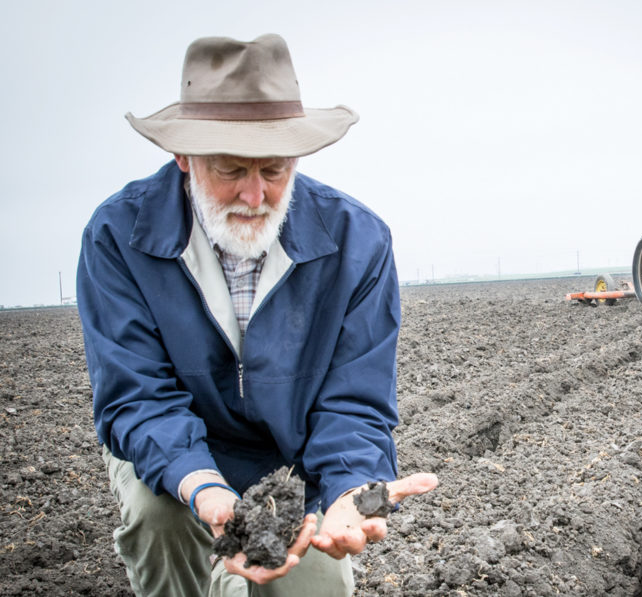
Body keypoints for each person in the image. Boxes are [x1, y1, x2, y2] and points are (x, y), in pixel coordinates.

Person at [77, 33, 438, 596]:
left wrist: (347, 487)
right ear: (183, 157)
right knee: (160, 519)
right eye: (229, 169)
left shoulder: (357, 242)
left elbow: (354, 398)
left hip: (290, 461)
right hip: (176, 452)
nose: (254, 195)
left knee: (312, 584)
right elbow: (137, 395)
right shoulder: (118, 237)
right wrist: (203, 488)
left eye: (273, 170)